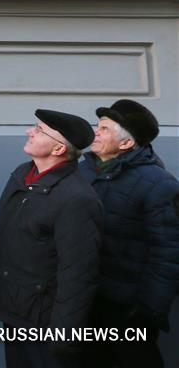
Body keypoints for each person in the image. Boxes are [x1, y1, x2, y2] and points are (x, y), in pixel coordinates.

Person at [0, 109, 103, 368]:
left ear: (58, 149)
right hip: (14, 309)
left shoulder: (77, 198)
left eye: (40, 130)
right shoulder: (22, 174)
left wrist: (64, 335)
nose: (29, 131)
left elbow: (78, 274)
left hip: (45, 322)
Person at [79, 100, 179, 368]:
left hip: (127, 309)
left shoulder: (159, 184)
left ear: (125, 144)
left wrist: (148, 312)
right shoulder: (82, 171)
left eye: (105, 129)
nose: (95, 133)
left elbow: (168, 253)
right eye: (97, 126)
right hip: (86, 299)